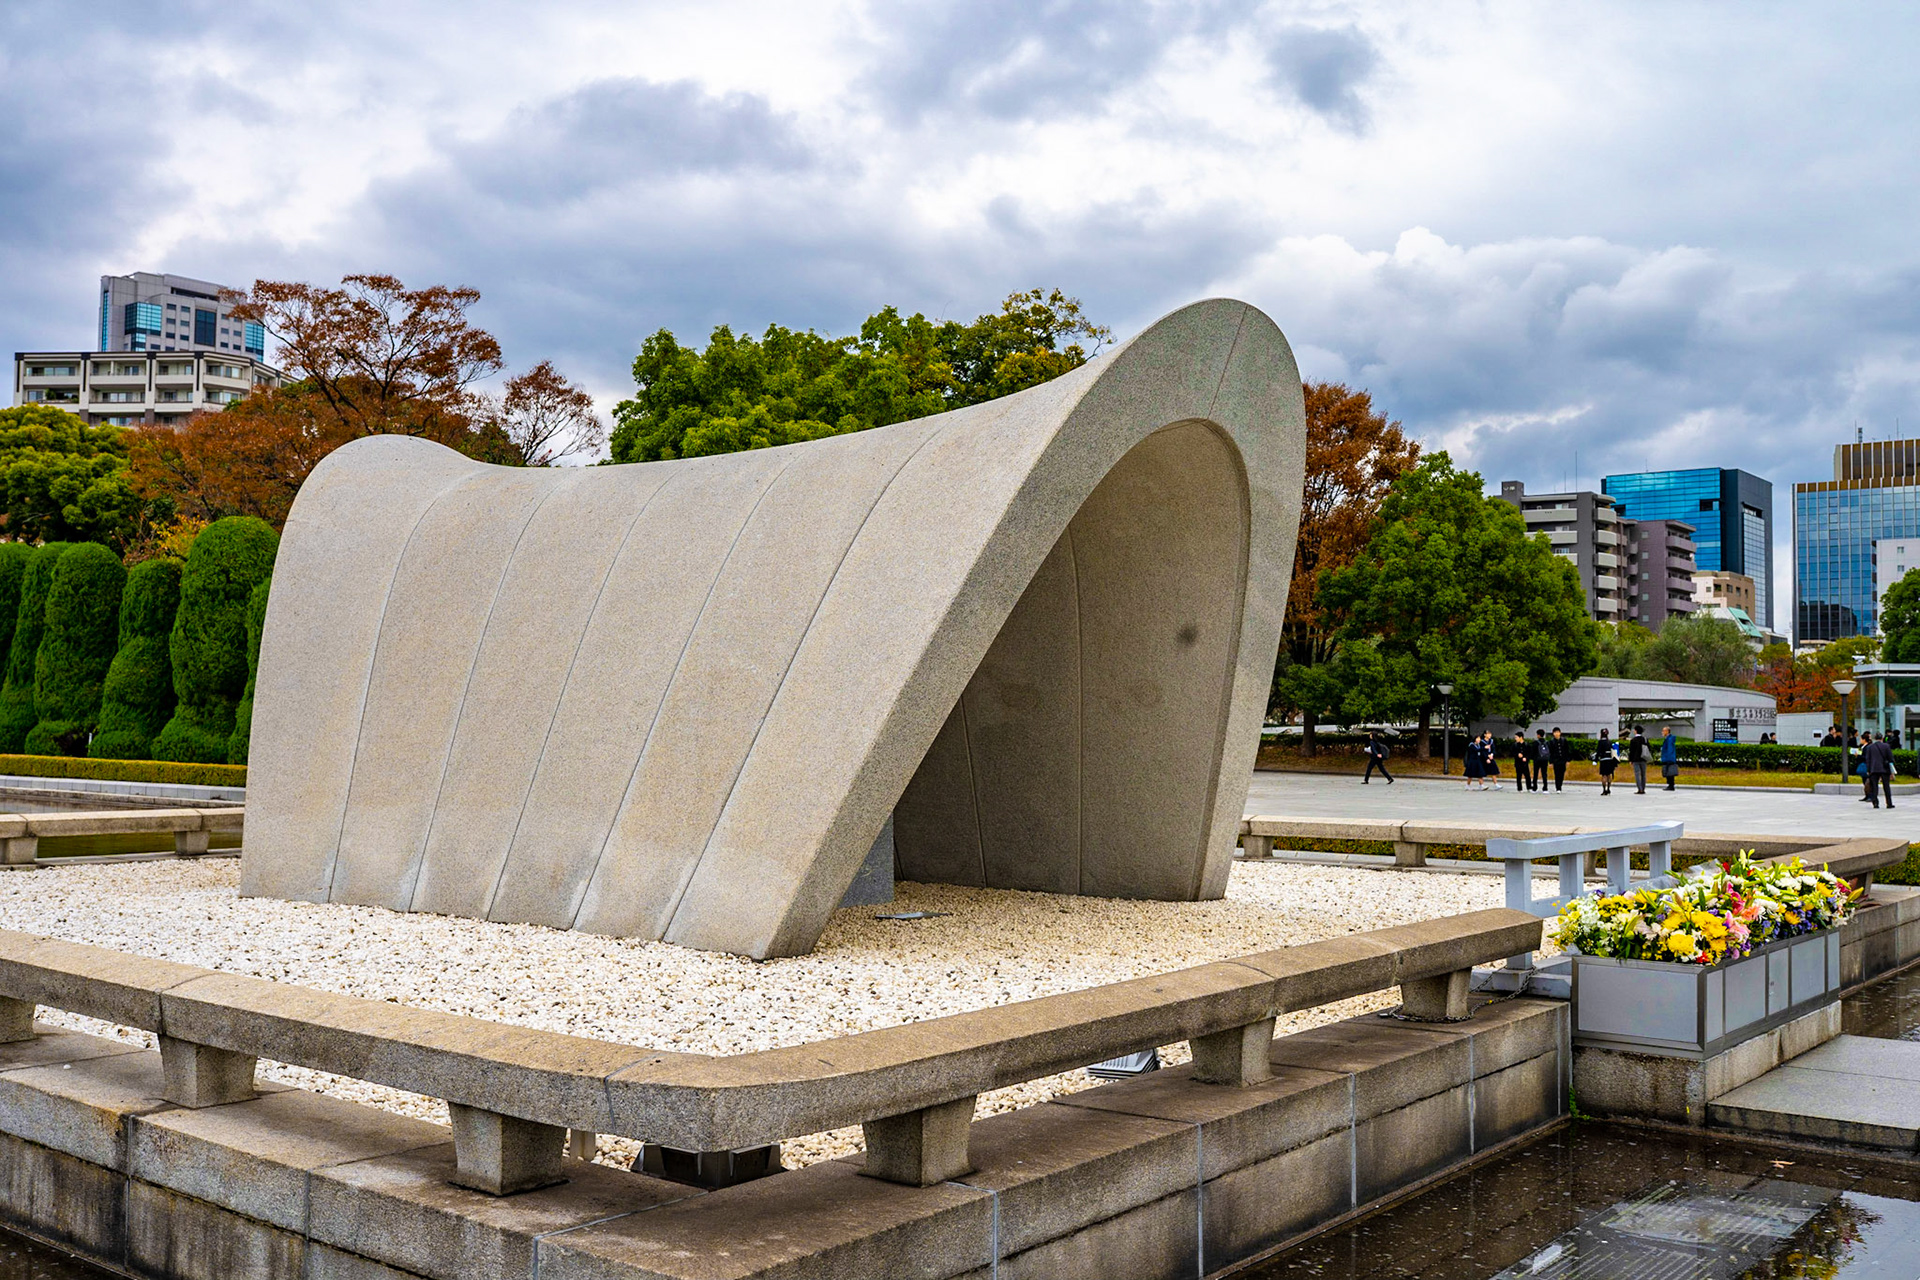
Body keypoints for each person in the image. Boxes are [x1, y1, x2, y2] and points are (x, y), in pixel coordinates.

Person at [1864, 731, 1896, 808]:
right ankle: (1889, 803)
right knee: (1886, 786)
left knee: (1874, 786)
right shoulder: (1886, 746)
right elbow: (1891, 758)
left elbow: (1868, 760)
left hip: (1873, 769)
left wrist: (1868, 770)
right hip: (1884, 768)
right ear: (1882, 738)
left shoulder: (1870, 747)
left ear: (1874, 738)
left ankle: (1875, 803)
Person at [1594, 729, 1618, 795]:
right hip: (1610, 760)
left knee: (1604, 775)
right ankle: (1608, 789)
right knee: (1609, 775)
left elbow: (1598, 751)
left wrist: (1595, 760)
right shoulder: (1609, 742)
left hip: (1603, 760)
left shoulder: (1600, 742)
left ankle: (1604, 790)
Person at [1628, 724, 1649, 793]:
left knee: (1637, 774)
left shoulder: (1633, 740)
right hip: (1644, 758)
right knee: (1643, 774)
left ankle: (1640, 789)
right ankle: (1643, 788)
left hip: (1635, 759)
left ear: (1636, 731)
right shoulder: (1645, 739)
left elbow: (1631, 751)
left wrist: (1630, 760)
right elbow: (1649, 748)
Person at [1659, 726, 1679, 791]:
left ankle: (1671, 785)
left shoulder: (1669, 739)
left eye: (1663, 731)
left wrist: (1669, 758)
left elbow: (1670, 749)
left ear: (1667, 731)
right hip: (1668, 757)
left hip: (1668, 758)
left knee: (1669, 772)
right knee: (1668, 772)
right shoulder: (1668, 739)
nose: (1662, 732)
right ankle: (1670, 785)